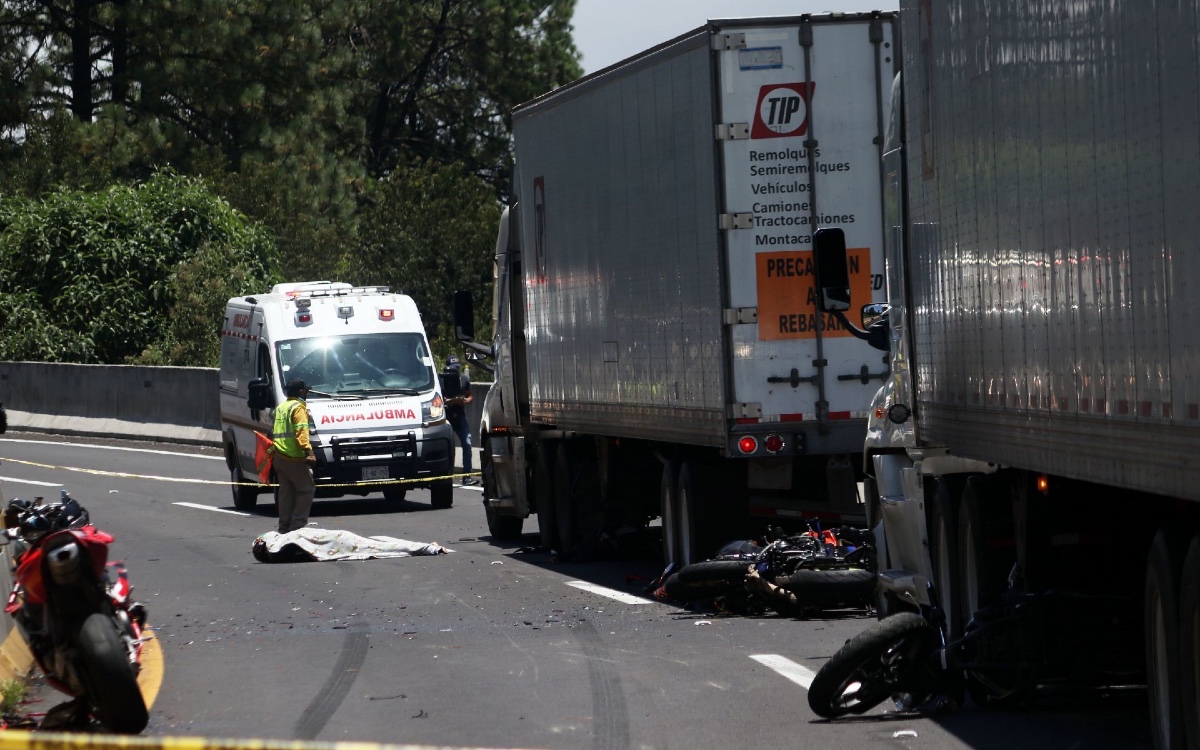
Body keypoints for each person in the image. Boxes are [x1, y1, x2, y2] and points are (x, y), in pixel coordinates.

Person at [272, 378, 317, 533]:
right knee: (306, 490)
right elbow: (301, 432)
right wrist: (308, 452)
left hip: (279, 456)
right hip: (293, 457)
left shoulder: (282, 407)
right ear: (300, 391)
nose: (307, 393)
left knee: (286, 493)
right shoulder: (298, 408)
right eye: (306, 390)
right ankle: (297, 527)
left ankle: (284, 528)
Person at [443, 356, 477, 486]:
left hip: (460, 415)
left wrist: (464, 400)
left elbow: (470, 395)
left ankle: (466, 476)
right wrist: (448, 401)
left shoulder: (464, 379)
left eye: (457, 368)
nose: (455, 371)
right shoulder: (441, 380)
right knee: (447, 447)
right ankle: (446, 477)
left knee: (467, 443)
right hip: (446, 415)